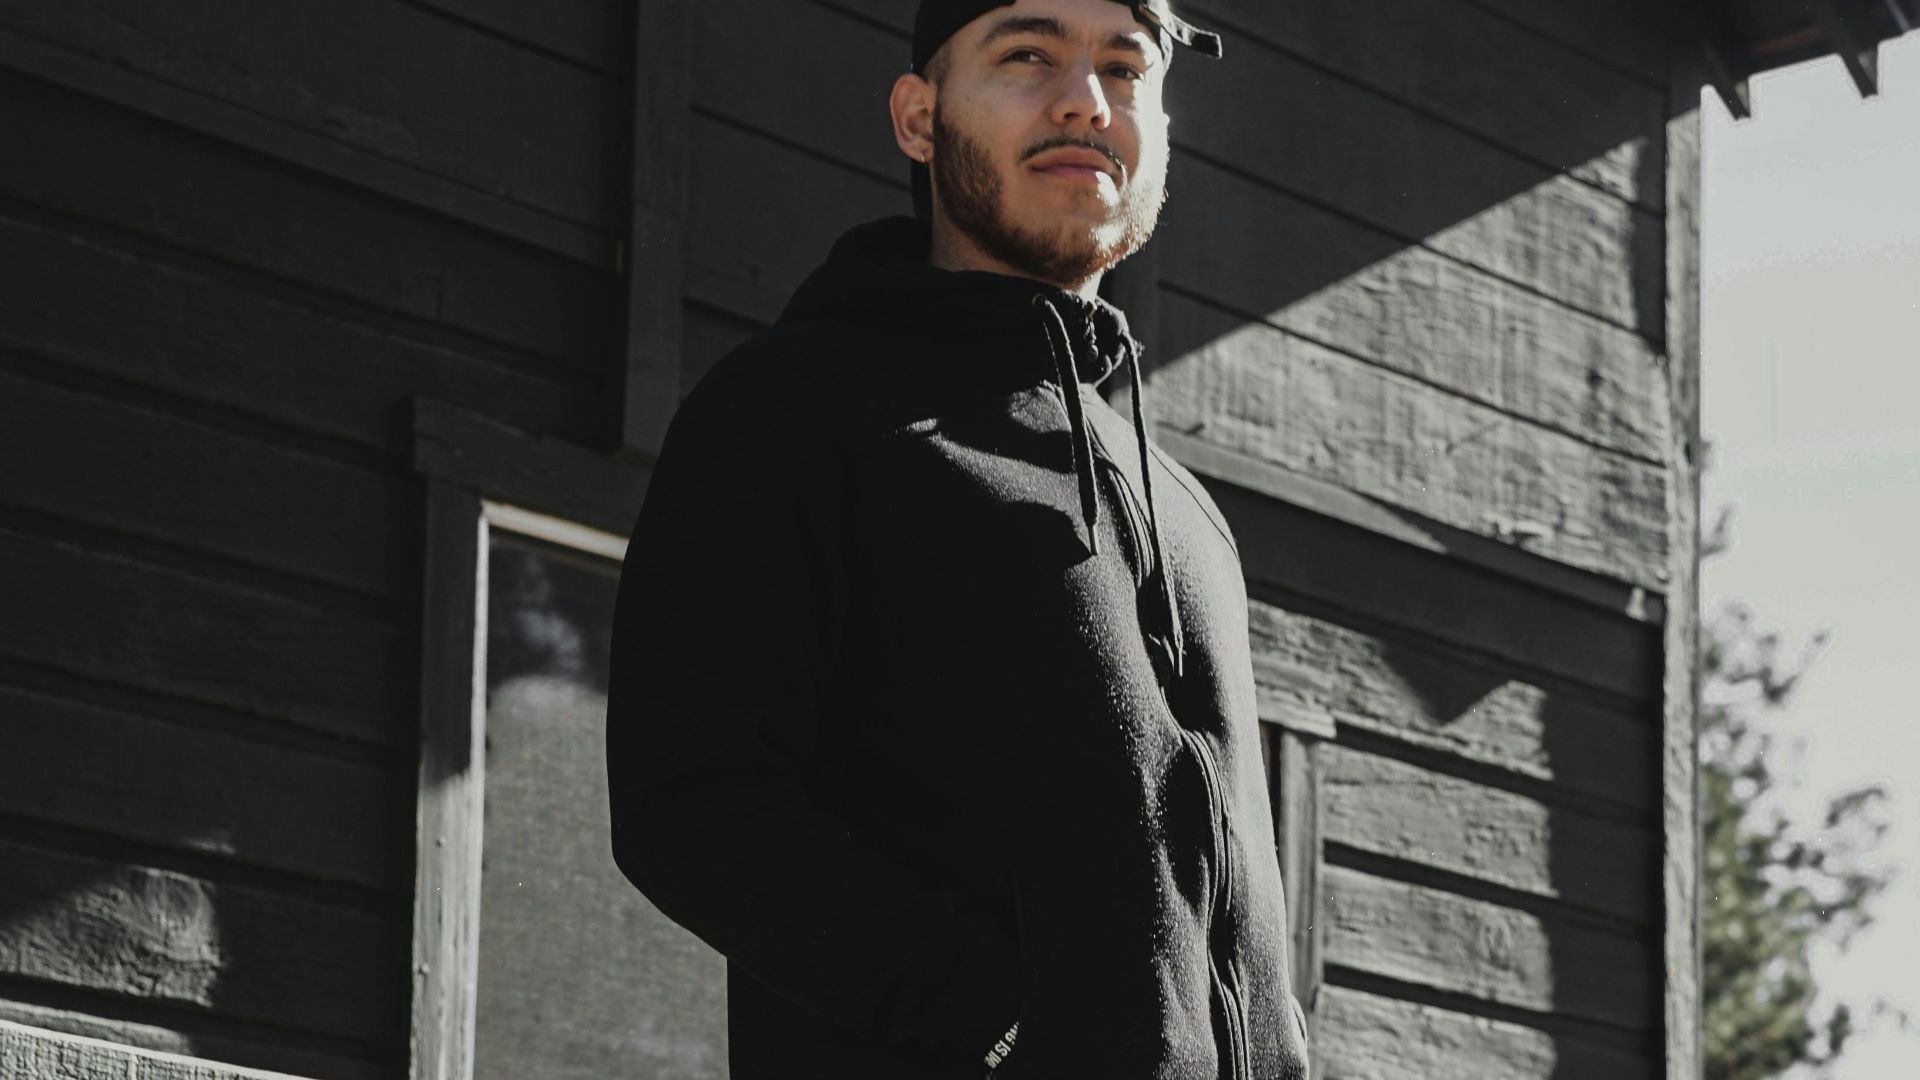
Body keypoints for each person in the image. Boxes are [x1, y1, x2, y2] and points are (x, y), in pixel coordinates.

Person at [605, 1, 1311, 1076]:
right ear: (918, 118)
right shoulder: (794, 412)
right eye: (1027, 55)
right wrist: (1010, 1024)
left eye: (1125, 69)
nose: (1086, 99)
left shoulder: (1189, 517)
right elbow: (690, 802)